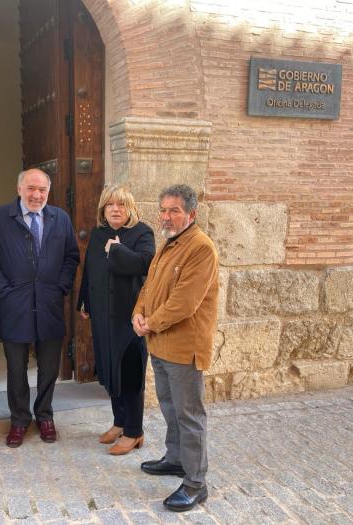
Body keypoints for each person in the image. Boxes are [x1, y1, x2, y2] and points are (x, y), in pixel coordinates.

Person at [132, 184, 219, 512]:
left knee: (189, 413)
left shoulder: (200, 248)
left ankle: (196, 483)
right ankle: (176, 459)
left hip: (184, 347)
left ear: (191, 214)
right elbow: (149, 285)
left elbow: (185, 301)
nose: (166, 216)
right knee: (170, 407)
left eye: (174, 210)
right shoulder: (169, 244)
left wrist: (150, 322)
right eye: (164, 210)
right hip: (161, 344)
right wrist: (137, 314)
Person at [0, 168, 79, 447]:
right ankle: (19, 419)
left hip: (49, 304)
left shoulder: (60, 218)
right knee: (16, 367)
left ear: (48, 191)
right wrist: (4, 292)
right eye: (31, 188)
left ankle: (45, 415)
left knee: (49, 366)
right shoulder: (0, 218)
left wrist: (61, 287)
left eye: (42, 190)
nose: (37, 195)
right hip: (15, 305)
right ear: (19, 189)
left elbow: (71, 257)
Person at [77, 185, 155, 455]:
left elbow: (146, 263)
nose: (115, 209)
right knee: (110, 369)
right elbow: (90, 269)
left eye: (121, 205)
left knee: (130, 373)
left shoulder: (142, 232)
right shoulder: (99, 234)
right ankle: (119, 422)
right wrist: (84, 300)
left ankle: (134, 431)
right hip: (102, 316)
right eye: (110, 205)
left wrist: (117, 250)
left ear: (130, 207)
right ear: (103, 209)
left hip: (129, 318)